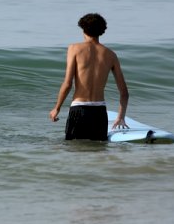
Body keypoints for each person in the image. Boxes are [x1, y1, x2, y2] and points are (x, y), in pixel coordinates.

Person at [49, 13, 130, 141]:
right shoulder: (111, 55)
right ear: (102, 31)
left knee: (74, 151)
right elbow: (124, 93)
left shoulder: (74, 49)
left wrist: (57, 108)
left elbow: (68, 83)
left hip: (79, 109)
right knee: (98, 153)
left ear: (83, 29)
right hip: (99, 112)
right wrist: (120, 117)